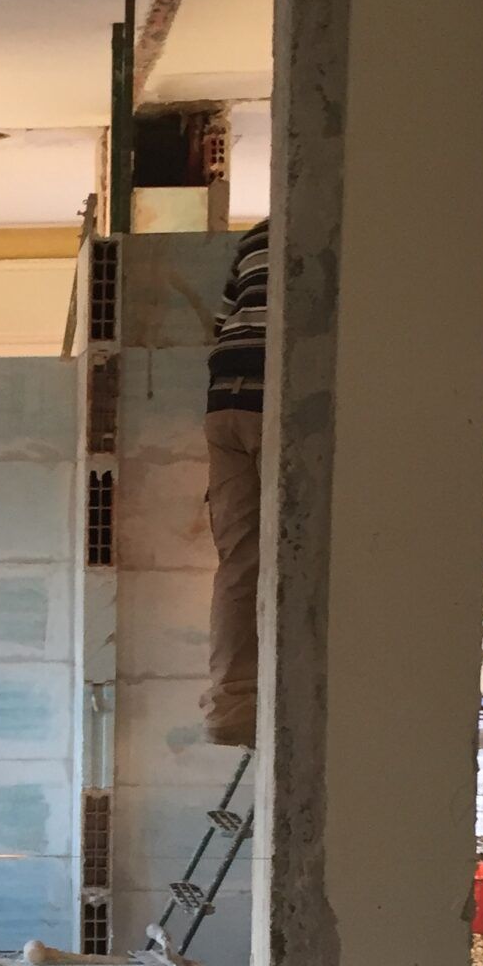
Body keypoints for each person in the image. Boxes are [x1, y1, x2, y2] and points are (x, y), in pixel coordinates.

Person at [201, 216, 270, 749]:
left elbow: (222, 322)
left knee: (240, 562)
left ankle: (233, 710)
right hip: (274, 392)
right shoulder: (343, 222)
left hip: (225, 398)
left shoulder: (256, 236)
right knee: (296, 552)